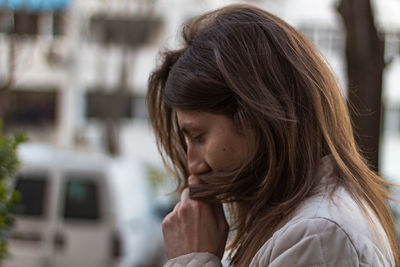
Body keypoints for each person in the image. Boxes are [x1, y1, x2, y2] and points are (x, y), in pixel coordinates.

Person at [146, 4, 399, 267]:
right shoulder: (304, 226)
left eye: (198, 136)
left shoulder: (318, 235)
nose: (193, 165)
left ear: (258, 116)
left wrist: (192, 260)